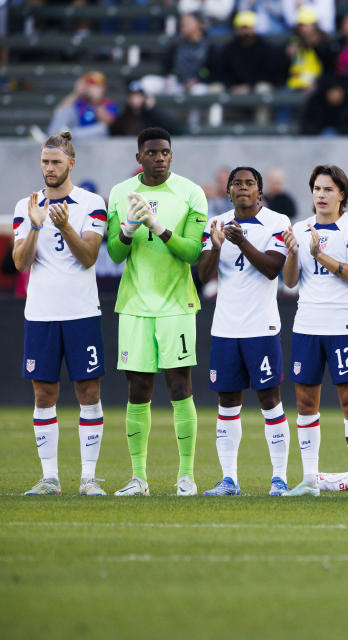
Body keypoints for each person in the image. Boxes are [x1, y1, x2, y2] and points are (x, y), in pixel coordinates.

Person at [106, 127, 208, 496]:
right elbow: (116, 255)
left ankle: (186, 476)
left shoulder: (190, 192)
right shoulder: (120, 193)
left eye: (165, 152)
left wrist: (158, 226)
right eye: (152, 152)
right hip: (134, 305)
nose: (160, 158)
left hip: (177, 305)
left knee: (180, 386)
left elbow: (193, 252)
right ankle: (139, 478)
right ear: (139, 157)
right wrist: (129, 229)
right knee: (138, 388)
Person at [14, 132, 107, 496]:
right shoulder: (27, 205)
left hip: (82, 312)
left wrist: (64, 224)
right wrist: (37, 224)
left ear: (71, 162)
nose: (49, 168)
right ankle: (50, 478)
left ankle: (88, 478)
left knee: (88, 391)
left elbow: (88, 257)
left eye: (55, 162)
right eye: (44, 162)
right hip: (41, 313)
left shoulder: (91, 203)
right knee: (43, 394)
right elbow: (21, 264)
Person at [195, 166, 291, 496]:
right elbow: (203, 276)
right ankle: (229, 479)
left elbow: (272, 270)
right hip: (225, 327)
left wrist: (243, 242)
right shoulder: (216, 223)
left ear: (259, 191)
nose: (243, 188)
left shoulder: (277, 222)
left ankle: (279, 477)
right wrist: (219, 246)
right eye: (237, 183)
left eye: (250, 183)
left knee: (270, 400)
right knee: (227, 402)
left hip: (261, 326)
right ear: (230, 191)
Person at [280, 165, 348, 498]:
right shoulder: (299, 229)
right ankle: (308, 479)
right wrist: (294, 252)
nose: (321, 195)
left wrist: (322, 254)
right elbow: (290, 281)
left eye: (328, 190)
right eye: (317, 189)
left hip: (341, 326)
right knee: (305, 403)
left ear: (341, 194)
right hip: (307, 325)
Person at [47, 71, 118, 139]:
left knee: (102, 128)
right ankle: (56, 136)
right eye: (89, 85)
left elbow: (108, 124)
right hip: (75, 133)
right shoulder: (79, 101)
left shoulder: (109, 104)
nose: (91, 88)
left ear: (103, 88)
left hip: (93, 137)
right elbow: (60, 111)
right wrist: (77, 92)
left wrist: (96, 101)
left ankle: (61, 136)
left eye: (95, 85)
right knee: (67, 110)